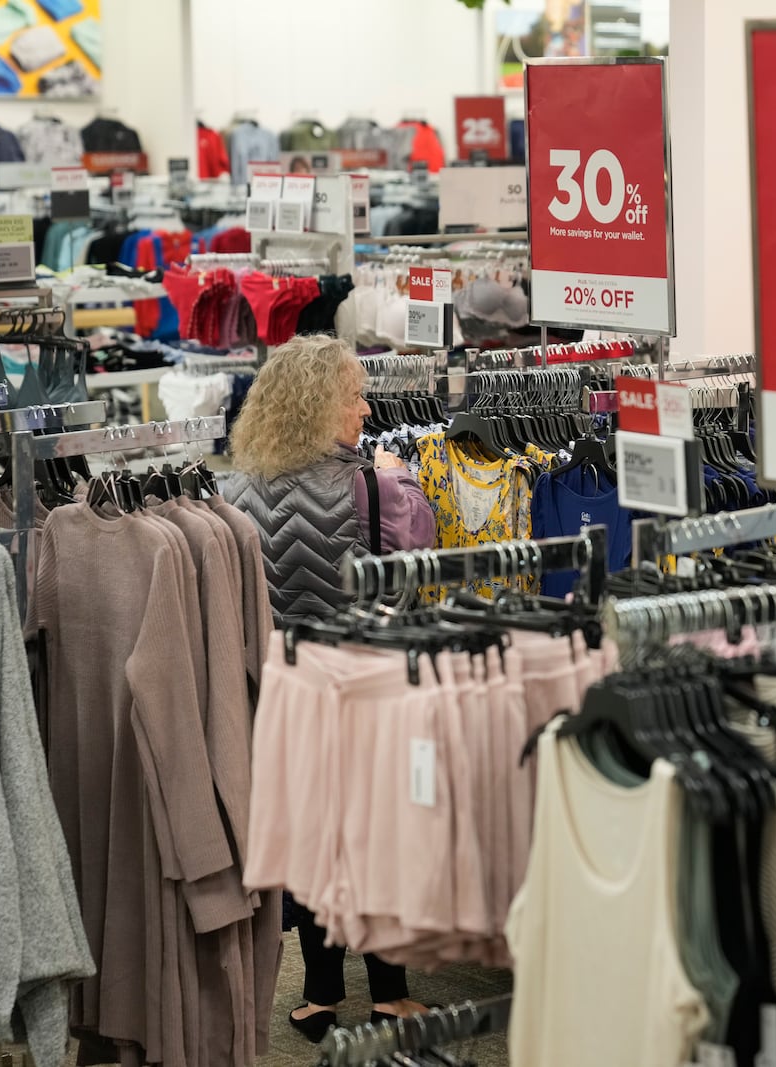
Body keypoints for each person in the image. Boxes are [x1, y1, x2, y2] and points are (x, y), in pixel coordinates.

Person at [222, 334, 436, 1042]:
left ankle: (318, 994)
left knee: (313, 837)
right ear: (321, 407)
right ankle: (391, 992)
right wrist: (399, 478)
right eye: (353, 395)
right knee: (377, 835)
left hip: (286, 697)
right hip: (369, 689)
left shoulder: (233, 494)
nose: (367, 406)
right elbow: (420, 585)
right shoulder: (380, 488)